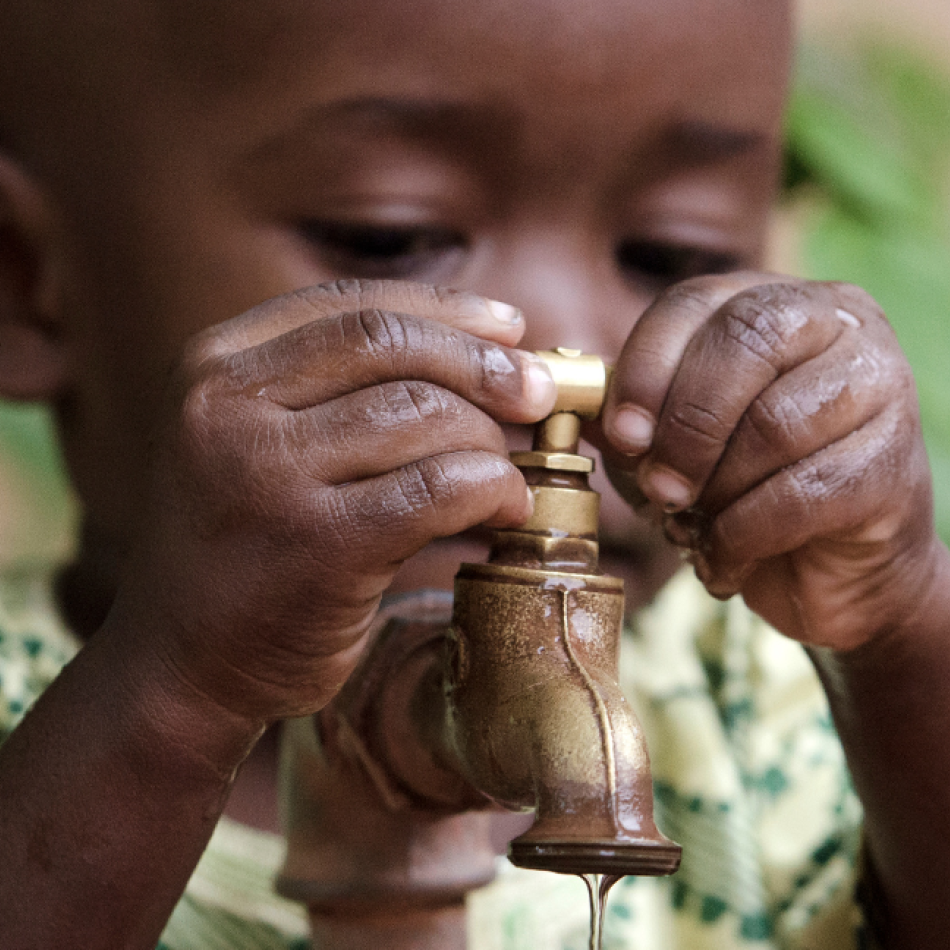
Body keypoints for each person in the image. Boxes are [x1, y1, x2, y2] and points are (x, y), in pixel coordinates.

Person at [0, 0, 946, 947]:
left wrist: (898, 629)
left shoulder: (751, 700)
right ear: (26, 280)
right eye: (390, 235)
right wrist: (177, 696)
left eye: (672, 256)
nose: (560, 349)